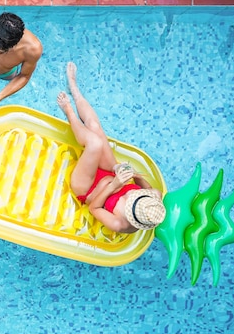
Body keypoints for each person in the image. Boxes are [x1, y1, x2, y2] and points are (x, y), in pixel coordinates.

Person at [56, 62, 166, 233]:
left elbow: (93, 208)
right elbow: (143, 184)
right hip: (111, 174)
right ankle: (75, 90)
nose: (129, 194)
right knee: (94, 126)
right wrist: (130, 172)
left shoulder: (120, 224)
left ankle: (69, 111)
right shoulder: (154, 197)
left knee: (94, 143)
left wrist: (114, 185)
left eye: (130, 200)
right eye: (135, 195)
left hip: (88, 188)